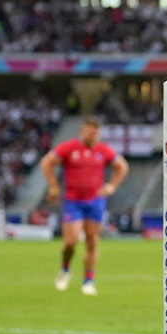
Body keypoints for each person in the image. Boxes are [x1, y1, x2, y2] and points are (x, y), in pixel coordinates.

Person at [41, 116, 129, 296]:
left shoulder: (103, 150)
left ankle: (88, 281)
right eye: (90, 131)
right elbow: (47, 162)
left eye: (96, 132)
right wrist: (53, 186)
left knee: (92, 241)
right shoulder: (69, 148)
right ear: (83, 131)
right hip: (73, 201)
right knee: (71, 242)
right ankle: (65, 268)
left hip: (95, 201)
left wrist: (111, 186)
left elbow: (122, 166)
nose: (93, 135)